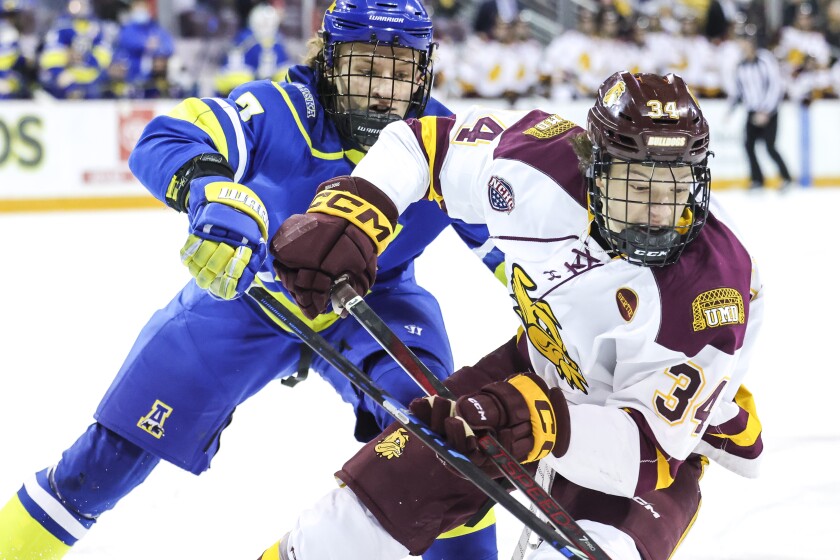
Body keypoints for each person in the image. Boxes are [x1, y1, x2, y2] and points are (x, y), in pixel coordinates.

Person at [0, 1, 502, 559]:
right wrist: (213, 191)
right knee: (104, 462)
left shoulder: (450, 144)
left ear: (425, 70)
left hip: (374, 301)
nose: (383, 90)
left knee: (449, 444)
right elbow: (166, 138)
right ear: (330, 62)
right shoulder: (279, 109)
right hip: (253, 291)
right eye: (365, 67)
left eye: (400, 70)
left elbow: (517, 248)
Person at [263, 71, 765, 560]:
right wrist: (353, 211)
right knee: (356, 516)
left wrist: (542, 420)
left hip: (635, 435)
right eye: (638, 186)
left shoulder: (710, 288)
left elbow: (647, 451)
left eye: (675, 187)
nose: (659, 213)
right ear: (595, 166)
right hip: (533, 371)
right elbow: (421, 147)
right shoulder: (539, 164)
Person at [732, 34, 794, 191]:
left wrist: (766, 110)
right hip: (752, 111)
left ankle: (786, 177)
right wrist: (731, 109)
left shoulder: (765, 60)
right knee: (748, 146)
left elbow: (775, 86)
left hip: (769, 111)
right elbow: (739, 90)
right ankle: (757, 179)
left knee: (769, 146)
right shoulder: (741, 66)